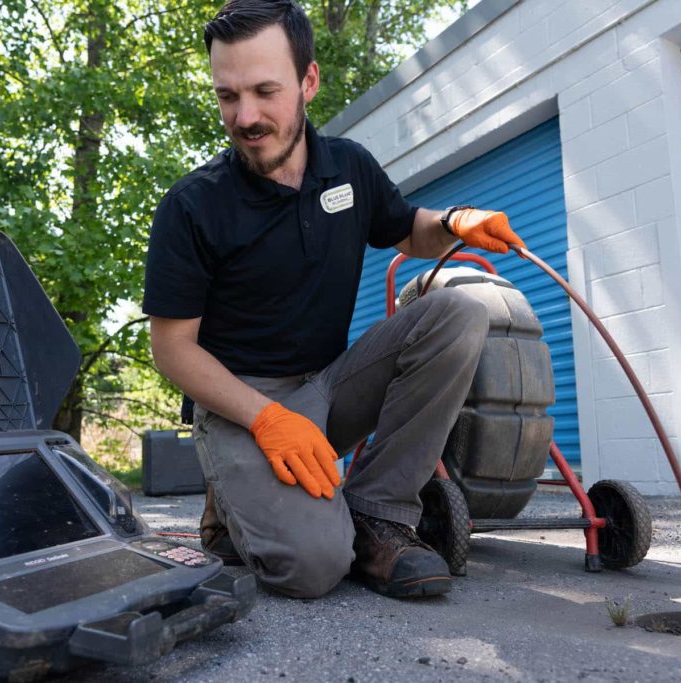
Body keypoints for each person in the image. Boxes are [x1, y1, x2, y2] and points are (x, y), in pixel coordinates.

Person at [143, 0, 525, 600]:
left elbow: (407, 228)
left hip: (328, 384)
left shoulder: (348, 168)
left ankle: (379, 517)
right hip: (244, 406)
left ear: (308, 82)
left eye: (265, 91)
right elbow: (171, 350)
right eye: (228, 96)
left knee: (460, 311)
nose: (245, 116)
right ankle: (231, 519)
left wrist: (455, 220)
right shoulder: (193, 205)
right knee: (312, 568)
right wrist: (267, 419)